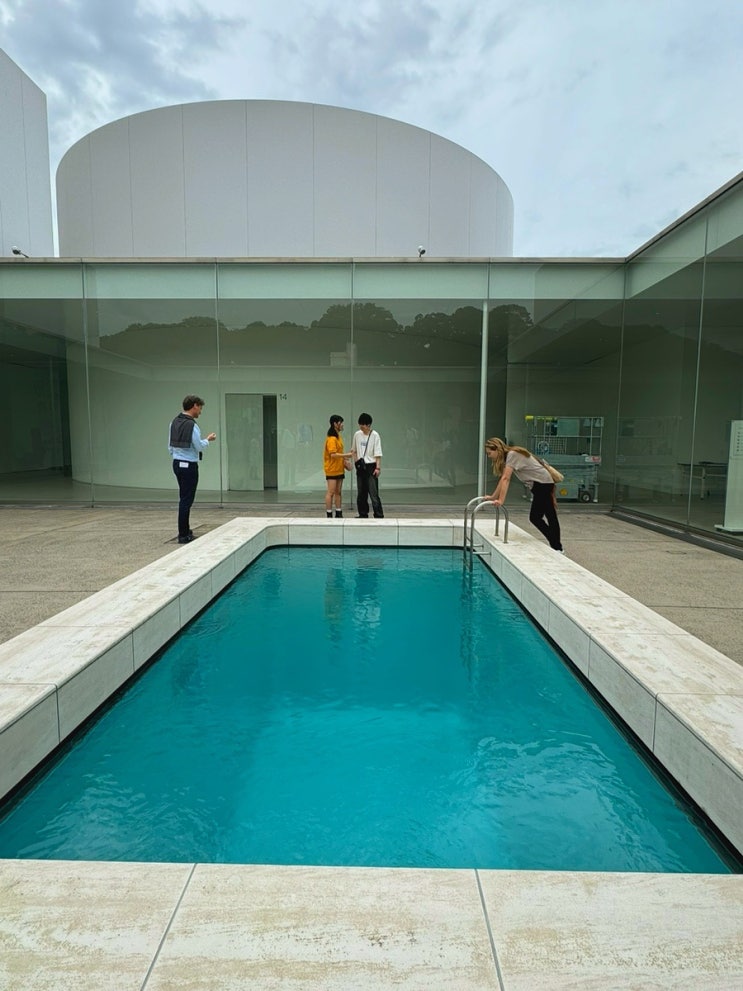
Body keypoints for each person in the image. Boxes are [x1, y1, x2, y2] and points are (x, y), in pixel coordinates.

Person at [483, 437, 563, 552]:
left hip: (542, 484)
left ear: (497, 449)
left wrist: (501, 500)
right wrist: (493, 497)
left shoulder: (512, 455)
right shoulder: (510, 456)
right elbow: (503, 479)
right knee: (548, 516)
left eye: (489, 453)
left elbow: (506, 479)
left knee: (537, 517)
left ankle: (557, 547)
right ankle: (557, 547)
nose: (489, 456)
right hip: (541, 484)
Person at [168, 395, 216, 544]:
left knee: (183, 497)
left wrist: (177, 456)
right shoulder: (192, 425)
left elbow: (170, 446)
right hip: (189, 465)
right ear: (194, 406)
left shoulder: (174, 422)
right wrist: (208, 440)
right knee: (186, 500)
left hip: (177, 463)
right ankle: (183, 534)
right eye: (200, 408)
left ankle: (185, 530)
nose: (200, 411)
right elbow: (199, 446)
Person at [350, 413, 384, 519]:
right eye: (360, 425)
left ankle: (378, 514)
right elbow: (353, 450)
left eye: (363, 425)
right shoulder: (357, 435)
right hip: (361, 466)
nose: (361, 427)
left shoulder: (375, 435)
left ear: (368, 425)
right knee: (361, 492)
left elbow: (378, 454)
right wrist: (356, 462)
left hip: (371, 466)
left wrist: (378, 468)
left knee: (373, 493)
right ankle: (363, 513)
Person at [323, 415, 350, 518]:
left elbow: (338, 453)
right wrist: (347, 455)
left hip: (339, 469)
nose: (342, 425)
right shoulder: (331, 439)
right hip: (332, 469)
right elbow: (333, 454)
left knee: (338, 492)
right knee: (331, 492)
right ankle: (329, 514)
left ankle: (339, 512)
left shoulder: (338, 437)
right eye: (340, 422)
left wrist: (345, 459)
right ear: (335, 424)